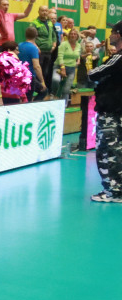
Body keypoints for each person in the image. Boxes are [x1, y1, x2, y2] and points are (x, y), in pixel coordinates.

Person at [88, 21, 122, 203]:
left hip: (111, 112)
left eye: (113, 32)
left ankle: (113, 192)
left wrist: (92, 67)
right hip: (117, 110)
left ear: (119, 34)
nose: (110, 34)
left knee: (108, 151)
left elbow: (94, 74)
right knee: (117, 150)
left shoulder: (118, 57)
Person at [52, 27, 82, 102]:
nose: (73, 35)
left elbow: (77, 54)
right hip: (59, 66)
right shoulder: (64, 44)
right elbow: (60, 56)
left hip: (71, 68)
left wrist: (78, 60)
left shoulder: (78, 45)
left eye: (75, 34)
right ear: (69, 35)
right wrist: (62, 68)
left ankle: (64, 105)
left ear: (77, 36)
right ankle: (54, 95)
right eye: (71, 34)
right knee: (55, 80)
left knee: (66, 89)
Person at [31, 5, 57, 87]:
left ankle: (42, 88)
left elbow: (53, 35)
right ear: (38, 11)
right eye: (42, 10)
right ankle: (36, 90)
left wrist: (54, 45)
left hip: (49, 51)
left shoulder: (49, 22)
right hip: (39, 52)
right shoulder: (34, 23)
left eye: (46, 11)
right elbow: (31, 38)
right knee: (38, 72)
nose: (44, 12)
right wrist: (37, 47)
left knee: (45, 72)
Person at [18, 26, 46, 101]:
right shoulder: (33, 48)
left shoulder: (19, 45)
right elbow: (36, 66)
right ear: (36, 36)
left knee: (24, 97)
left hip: (20, 76)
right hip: (29, 77)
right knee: (43, 91)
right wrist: (42, 81)